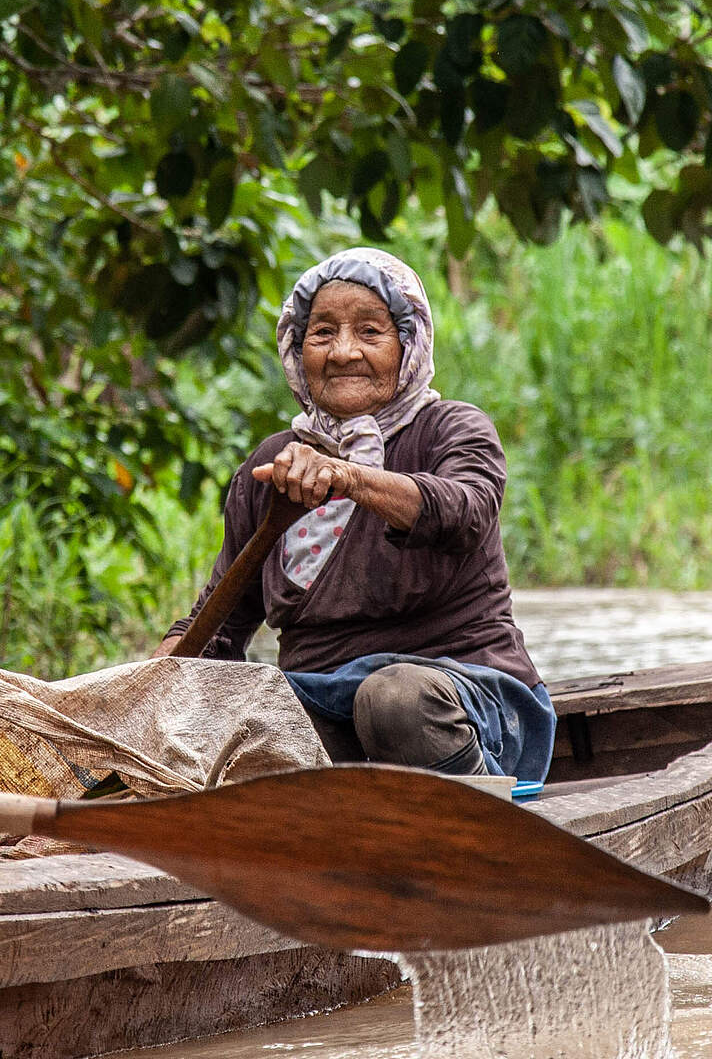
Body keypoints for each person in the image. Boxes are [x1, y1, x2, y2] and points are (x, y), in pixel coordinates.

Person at [155, 247, 553, 783]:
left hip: (464, 701)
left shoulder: (454, 429)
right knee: (238, 720)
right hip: (320, 705)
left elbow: (465, 513)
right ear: (298, 350)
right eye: (322, 333)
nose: (344, 352)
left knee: (388, 698)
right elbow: (221, 625)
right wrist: (141, 687)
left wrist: (346, 477)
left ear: (407, 346)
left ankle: (483, 822)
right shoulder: (274, 464)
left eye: (370, 332)